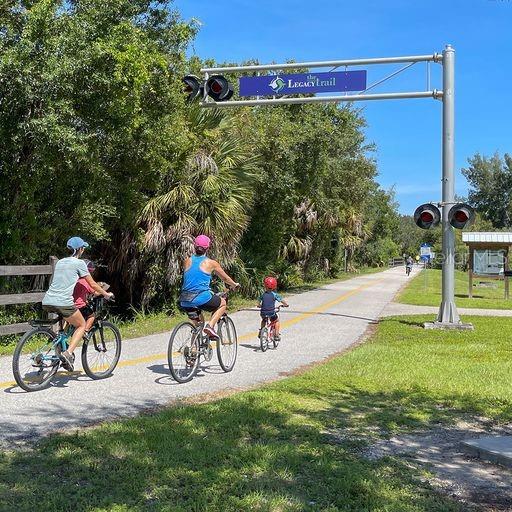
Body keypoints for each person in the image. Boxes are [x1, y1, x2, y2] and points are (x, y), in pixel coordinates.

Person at [42, 237, 113, 371]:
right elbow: (92, 284)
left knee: (65, 328)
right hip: (63, 302)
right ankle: (67, 354)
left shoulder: (61, 262)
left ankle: (61, 348)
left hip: (47, 300)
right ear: (80, 249)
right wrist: (105, 294)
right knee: (81, 324)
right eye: (83, 247)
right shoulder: (80, 263)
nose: (84, 249)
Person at [179, 235, 239, 339]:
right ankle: (210, 326)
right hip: (201, 298)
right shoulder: (211, 263)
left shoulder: (186, 261)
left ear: (194, 247)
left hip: (184, 300)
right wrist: (235, 285)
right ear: (208, 248)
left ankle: (194, 349)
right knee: (222, 303)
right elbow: (225, 279)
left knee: (197, 324)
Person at [72, 259, 101, 339]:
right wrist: (104, 292)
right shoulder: (86, 281)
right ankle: (85, 331)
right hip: (80, 306)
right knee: (91, 316)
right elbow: (95, 293)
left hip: (71, 305)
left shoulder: (75, 281)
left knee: (68, 321)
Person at [258, 276, 289, 341]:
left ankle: (261, 331)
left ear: (265, 286)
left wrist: (259, 305)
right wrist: (286, 305)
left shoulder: (262, 294)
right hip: (271, 312)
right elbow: (281, 300)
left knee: (264, 319)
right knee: (276, 320)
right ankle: (276, 335)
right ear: (274, 286)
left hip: (263, 312)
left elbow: (258, 303)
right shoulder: (275, 294)